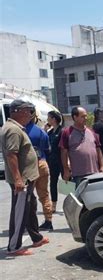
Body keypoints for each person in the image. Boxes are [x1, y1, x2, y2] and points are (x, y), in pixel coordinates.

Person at [0, 100, 49, 256]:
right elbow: (11, 155)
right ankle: (14, 246)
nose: (30, 114)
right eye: (28, 110)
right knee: (20, 211)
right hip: (22, 179)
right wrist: (18, 179)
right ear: (17, 111)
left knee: (30, 207)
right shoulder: (13, 130)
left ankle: (36, 237)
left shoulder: (17, 128)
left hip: (28, 177)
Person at [60, 106, 103, 187]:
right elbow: (64, 152)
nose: (86, 118)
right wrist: (66, 170)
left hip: (94, 173)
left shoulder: (91, 132)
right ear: (75, 117)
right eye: (83, 116)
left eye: (86, 116)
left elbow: (98, 149)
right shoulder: (67, 132)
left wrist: (102, 166)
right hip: (78, 174)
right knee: (79, 198)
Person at [26, 109, 54, 231]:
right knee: (44, 195)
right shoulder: (42, 132)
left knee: (28, 196)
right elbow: (48, 150)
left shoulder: (22, 131)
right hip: (43, 163)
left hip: (29, 166)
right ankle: (48, 220)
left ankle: (28, 222)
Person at [46, 110, 63, 213]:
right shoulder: (50, 132)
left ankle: (74, 203)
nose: (47, 119)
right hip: (52, 161)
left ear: (54, 119)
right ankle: (54, 205)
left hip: (62, 160)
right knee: (53, 182)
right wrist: (44, 130)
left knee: (68, 182)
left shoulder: (62, 131)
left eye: (49, 117)